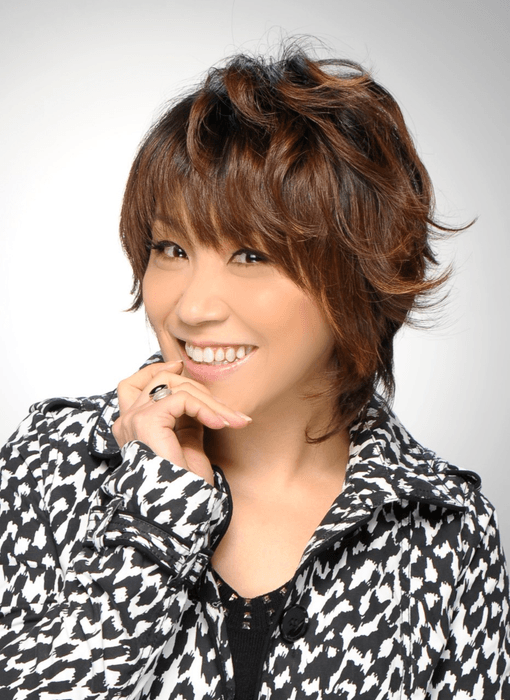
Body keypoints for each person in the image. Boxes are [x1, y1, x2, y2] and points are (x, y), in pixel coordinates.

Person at [0, 44, 508, 700]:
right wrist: (156, 519)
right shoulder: (54, 464)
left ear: (358, 273)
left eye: (250, 255)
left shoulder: (441, 527)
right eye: (171, 248)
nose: (192, 307)